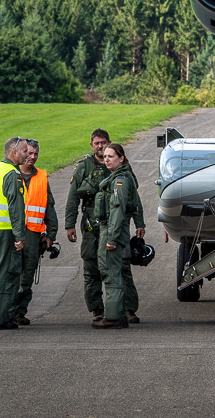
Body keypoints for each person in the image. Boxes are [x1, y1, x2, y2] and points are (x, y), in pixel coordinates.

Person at [92, 142, 146, 329]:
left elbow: (117, 210)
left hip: (113, 230)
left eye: (111, 156)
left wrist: (111, 238)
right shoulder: (122, 176)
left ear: (121, 159)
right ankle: (121, 314)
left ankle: (113, 317)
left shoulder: (119, 181)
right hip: (116, 229)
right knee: (117, 271)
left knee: (110, 271)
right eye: (105, 156)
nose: (106, 159)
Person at [0, 137, 29, 330]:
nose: (27, 154)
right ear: (14, 152)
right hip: (4, 231)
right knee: (4, 273)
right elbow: (16, 209)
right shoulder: (12, 174)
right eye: (24, 151)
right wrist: (20, 236)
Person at [64, 129, 112, 321]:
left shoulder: (117, 162)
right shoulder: (83, 167)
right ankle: (96, 308)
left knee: (117, 264)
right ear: (91, 145)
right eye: (97, 143)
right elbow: (73, 198)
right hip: (91, 224)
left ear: (109, 142)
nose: (100, 146)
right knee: (91, 266)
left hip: (113, 223)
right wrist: (70, 224)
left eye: (103, 142)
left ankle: (122, 308)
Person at [11, 139, 58, 326]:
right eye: (28, 153)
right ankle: (7, 311)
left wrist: (51, 234)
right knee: (11, 272)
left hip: (33, 233)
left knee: (28, 274)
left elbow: (49, 207)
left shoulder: (42, 177)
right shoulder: (10, 174)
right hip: (11, 232)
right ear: (20, 153)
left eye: (35, 154)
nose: (32, 157)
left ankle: (19, 312)